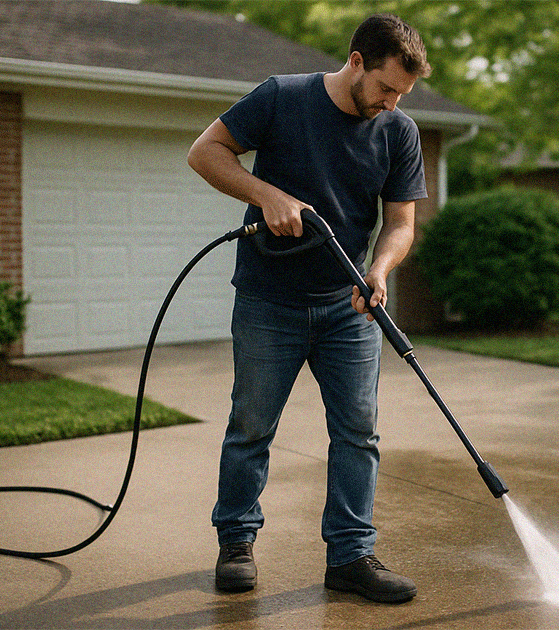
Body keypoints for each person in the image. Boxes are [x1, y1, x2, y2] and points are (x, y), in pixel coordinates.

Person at [187, 14, 431, 603]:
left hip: (349, 307)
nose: (392, 103)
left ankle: (350, 556)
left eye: (402, 94)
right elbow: (205, 152)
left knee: (358, 432)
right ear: (356, 62)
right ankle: (236, 542)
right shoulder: (282, 97)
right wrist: (265, 194)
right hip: (269, 301)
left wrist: (379, 269)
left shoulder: (398, 131)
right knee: (251, 427)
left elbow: (400, 222)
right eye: (385, 88)